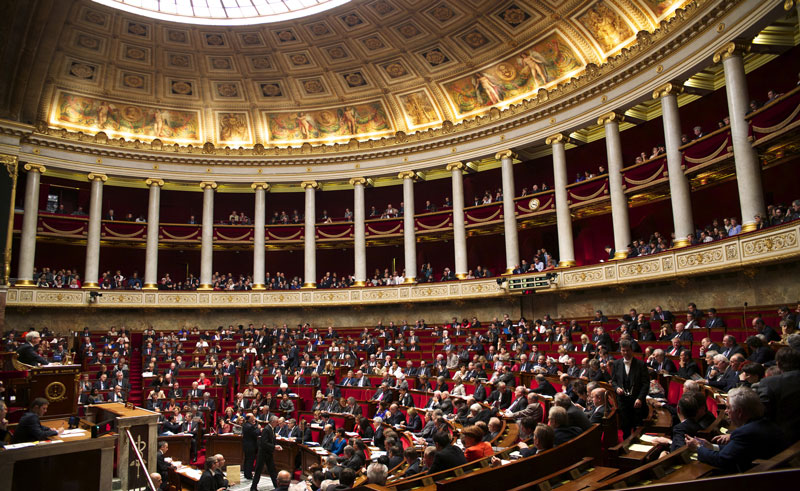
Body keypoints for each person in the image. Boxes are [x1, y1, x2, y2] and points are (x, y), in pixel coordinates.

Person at [688, 386, 787, 473]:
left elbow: (721, 459)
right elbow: (734, 451)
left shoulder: (745, 433)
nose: (726, 412)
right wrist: (711, 447)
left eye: (728, 408)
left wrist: (698, 448)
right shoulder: (765, 423)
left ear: (739, 412)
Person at [611, 340, 649, 438]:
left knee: (637, 427)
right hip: (623, 400)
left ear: (632, 350)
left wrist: (640, 398)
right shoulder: (616, 364)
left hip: (637, 399)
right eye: (623, 351)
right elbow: (613, 381)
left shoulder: (641, 365)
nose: (626, 353)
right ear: (621, 351)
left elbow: (645, 384)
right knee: (625, 426)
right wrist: (617, 388)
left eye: (628, 350)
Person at [251, 415, 282, 491]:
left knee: (272, 471)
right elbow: (264, 443)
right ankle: (253, 488)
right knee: (258, 471)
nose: (277, 424)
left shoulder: (272, 429)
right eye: (276, 422)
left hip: (268, 453)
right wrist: (274, 447)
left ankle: (276, 487)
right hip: (263, 454)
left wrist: (276, 445)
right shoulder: (266, 429)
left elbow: (272, 439)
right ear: (272, 422)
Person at [242, 413, 260, 480]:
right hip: (251, 446)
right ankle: (248, 475)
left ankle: (246, 473)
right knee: (250, 461)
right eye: (253, 417)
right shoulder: (250, 426)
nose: (254, 418)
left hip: (246, 446)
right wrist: (258, 428)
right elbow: (256, 433)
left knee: (247, 460)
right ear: (249, 418)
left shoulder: (245, 425)